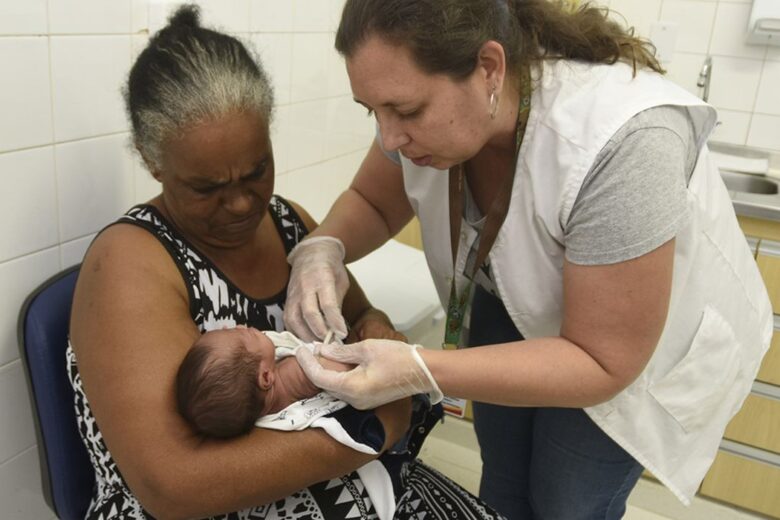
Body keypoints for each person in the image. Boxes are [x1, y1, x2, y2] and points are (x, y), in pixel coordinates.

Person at [284, 1, 774, 519]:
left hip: (619, 347)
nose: (389, 138)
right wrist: (324, 246)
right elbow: (374, 202)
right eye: (373, 111)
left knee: (568, 501)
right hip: (511, 302)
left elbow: (602, 360)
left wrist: (419, 369)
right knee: (505, 483)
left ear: (489, 69)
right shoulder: (427, 111)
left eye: (406, 112)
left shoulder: (624, 141)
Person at [67, 5, 505, 520]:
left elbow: (364, 315)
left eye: (256, 171)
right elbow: (175, 488)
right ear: (151, 158)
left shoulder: (288, 221)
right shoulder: (130, 260)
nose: (240, 204)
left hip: (359, 479)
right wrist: (378, 424)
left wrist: (381, 339)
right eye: (207, 187)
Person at [175, 327, 354, 438]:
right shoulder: (296, 373)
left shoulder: (262, 413)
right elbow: (347, 369)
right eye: (240, 335)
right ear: (266, 378)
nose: (239, 326)